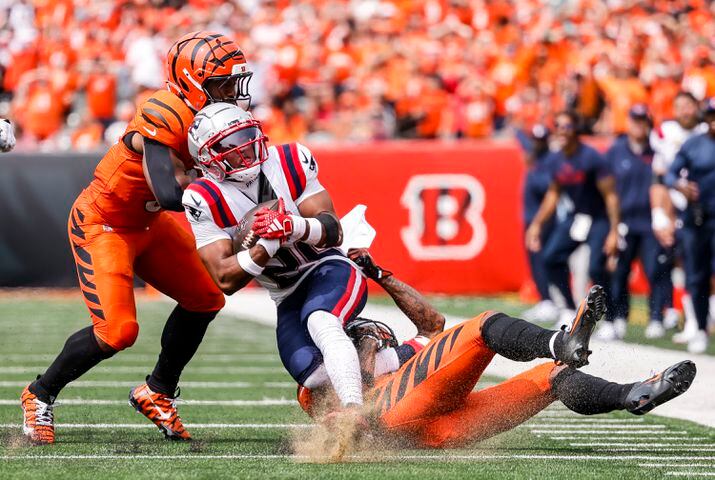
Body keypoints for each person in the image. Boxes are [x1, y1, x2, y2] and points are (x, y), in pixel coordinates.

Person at [20, 31, 252, 445]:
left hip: (148, 225)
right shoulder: (163, 111)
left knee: (206, 298)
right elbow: (166, 192)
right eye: (221, 84)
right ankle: (39, 395)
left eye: (234, 83)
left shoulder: (218, 117)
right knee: (117, 332)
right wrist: (225, 203)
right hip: (105, 222)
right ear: (192, 82)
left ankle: (158, 392)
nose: (231, 93)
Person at [297, 249, 696, 454]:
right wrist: (364, 347)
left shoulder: (395, 358)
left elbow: (431, 326)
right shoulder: (325, 373)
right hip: (393, 415)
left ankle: (630, 394)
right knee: (483, 326)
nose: (376, 339)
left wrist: (380, 274)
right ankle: (561, 341)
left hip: (440, 432)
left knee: (552, 379)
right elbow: (344, 406)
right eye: (367, 335)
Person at [182, 103, 367, 413]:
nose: (243, 149)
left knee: (322, 321)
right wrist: (266, 244)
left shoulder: (291, 160)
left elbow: (333, 230)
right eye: (228, 146)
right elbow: (225, 279)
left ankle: (354, 412)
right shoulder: (202, 198)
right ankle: (379, 354)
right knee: (312, 375)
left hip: (327, 266)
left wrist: (291, 225)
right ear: (207, 159)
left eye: (245, 137)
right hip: (285, 294)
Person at [525, 111, 621, 332]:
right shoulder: (555, 159)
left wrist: (614, 230)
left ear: (576, 130)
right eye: (558, 126)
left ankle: (609, 319)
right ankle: (569, 307)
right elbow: (553, 194)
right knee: (550, 258)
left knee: (597, 266)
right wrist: (537, 223)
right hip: (577, 217)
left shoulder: (591, 157)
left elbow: (611, 195)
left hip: (598, 217)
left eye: (567, 126)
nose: (562, 131)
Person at [607, 105, 674, 339]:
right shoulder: (616, 150)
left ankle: (656, 316)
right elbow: (607, 188)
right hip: (624, 222)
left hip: (649, 222)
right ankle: (618, 317)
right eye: (635, 120)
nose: (639, 125)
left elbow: (667, 184)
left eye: (643, 120)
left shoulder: (658, 150)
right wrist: (612, 224)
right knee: (619, 272)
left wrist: (665, 217)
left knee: (656, 269)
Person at [650, 91, 709, 342]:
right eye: (679, 106)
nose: (684, 111)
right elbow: (660, 178)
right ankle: (694, 321)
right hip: (683, 210)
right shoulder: (667, 133)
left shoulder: (707, 130)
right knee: (686, 267)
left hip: (708, 208)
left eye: (689, 105)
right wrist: (659, 214)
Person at [664, 97, 715, 353]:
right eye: (711, 115)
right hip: (699, 218)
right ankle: (701, 329)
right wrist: (680, 185)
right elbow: (671, 172)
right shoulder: (694, 144)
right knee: (697, 275)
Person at [516, 124, 558, 323]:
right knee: (534, 260)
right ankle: (545, 299)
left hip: (541, 220)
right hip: (532, 217)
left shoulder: (549, 162)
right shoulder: (537, 156)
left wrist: (538, 223)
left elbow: (548, 189)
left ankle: (549, 301)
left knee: (541, 259)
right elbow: (519, 134)